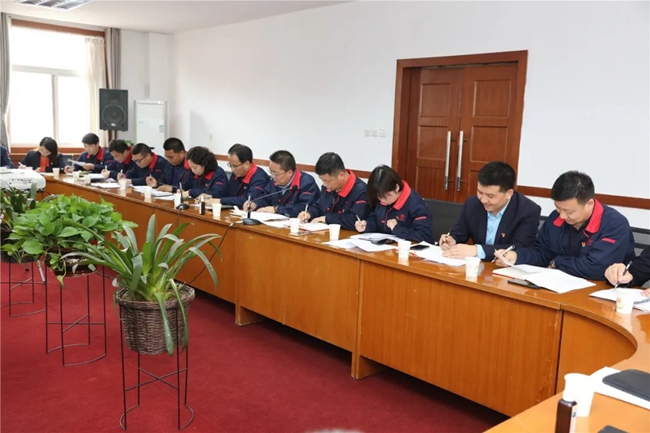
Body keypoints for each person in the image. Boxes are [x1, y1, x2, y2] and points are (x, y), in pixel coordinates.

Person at [495, 171, 635, 280]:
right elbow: (542, 251)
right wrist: (517, 256)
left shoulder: (615, 224)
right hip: (558, 285)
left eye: (569, 211)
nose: (562, 216)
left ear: (589, 204)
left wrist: (557, 263)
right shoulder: (556, 217)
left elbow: (597, 267)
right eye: (558, 208)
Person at [441, 161, 541, 261]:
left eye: (490, 196)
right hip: (477, 265)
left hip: (506, 268)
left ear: (509, 194)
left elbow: (519, 248)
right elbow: (460, 233)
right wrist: (452, 240)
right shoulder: (472, 204)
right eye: (480, 192)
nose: (483, 200)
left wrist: (478, 250)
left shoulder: (528, 211)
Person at [355, 165, 434, 243]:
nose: (382, 200)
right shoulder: (383, 200)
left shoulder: (415, 203)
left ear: (397, 187)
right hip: (386, 246)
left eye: (385, 196)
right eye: (379, 197)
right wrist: (366, 225)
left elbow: (425, 236)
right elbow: (376, 219)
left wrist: (397, 228)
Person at [297, 152, 370, 230]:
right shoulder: (328, 187)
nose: (324, 184)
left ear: (341, 175)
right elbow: (319, 206)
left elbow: (356, 220)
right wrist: (309, 214)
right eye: (322, 180)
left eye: (327, 180)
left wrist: (327, 219)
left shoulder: (361, 191)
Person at [243, 150, 319, 217]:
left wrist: (277, 209)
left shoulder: (306, 182)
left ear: (289, 173)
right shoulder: (274, 181)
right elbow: (265, 197)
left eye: (276, 173)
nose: (272, 176)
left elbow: (304, 208)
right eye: (271, 172)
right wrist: (255, 203)